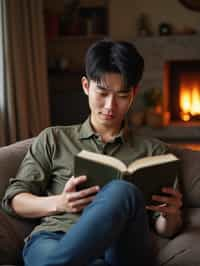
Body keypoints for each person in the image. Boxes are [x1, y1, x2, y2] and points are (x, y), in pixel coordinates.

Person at [2, 39, 182, 266]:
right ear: (86, 86)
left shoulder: (154, 151)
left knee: (121, 190)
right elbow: (15, 200)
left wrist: (171, 214)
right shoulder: (54, 139)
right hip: (55, 239)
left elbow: (165, 230)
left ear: (134, 93)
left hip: (120, 247)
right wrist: (61, 203)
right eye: (102, 93)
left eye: (122, 95)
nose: (110, 106)